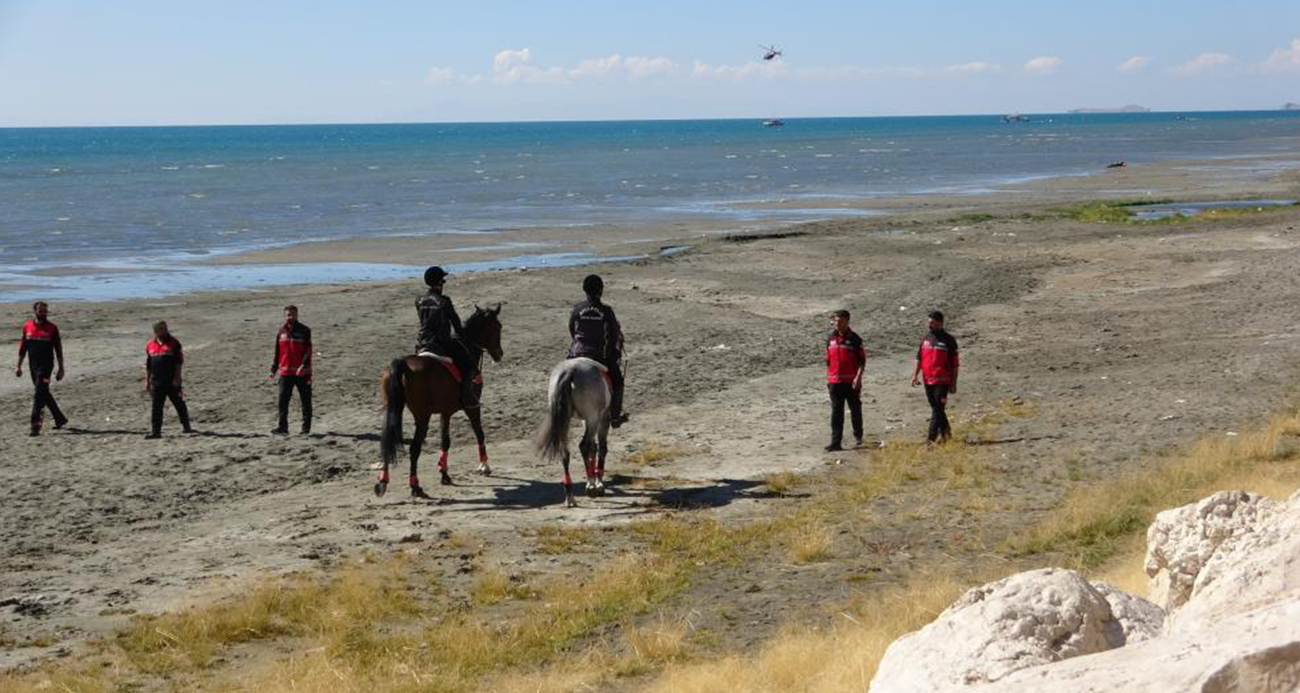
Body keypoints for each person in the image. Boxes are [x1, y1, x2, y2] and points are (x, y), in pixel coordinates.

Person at [568, 274, 628, 427]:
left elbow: (572, 330)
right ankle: (615, 416)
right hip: (599, 355)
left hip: (575, 354)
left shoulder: (577, 309)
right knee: (618, 381)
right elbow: (614, 334)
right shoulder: (606, 311)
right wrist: (613, 353)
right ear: (601, 290)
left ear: (584, 290)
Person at [416, 266, 478, 409]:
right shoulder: (444, 301)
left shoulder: (419, 300)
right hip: (440, 342)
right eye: (443, 280)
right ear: (439, 282)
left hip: (422, 342)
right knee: (468, 365)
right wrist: (464, 337)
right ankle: (467, 398)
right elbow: (456, 324)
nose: (443, 283)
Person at [15, 301, 68, 436]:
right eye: (41, 310)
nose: (43, 313)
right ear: (35, 311)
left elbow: (58, 350)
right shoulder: (27, 326)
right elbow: (23, 348)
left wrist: (61, 368)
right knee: (43, 392)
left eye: (45, 311)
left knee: (39, 394)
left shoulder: (52, 328)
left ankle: (35, 425)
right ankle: (60, 419)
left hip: (46, 366)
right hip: (32, 365)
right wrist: (18, 366)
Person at [911, 311, 960, 444]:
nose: (929, 324)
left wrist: (954, 383)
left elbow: (955, 365)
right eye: (929, 322)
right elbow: (919, 358)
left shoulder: (949, 340)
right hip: (928, 380)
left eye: (932, 322)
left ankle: (930, 439)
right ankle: (946, 432)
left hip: (943, 381)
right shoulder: (925, 339)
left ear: (940, 323)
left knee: (938, 408)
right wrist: (915, 375)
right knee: (936, 408)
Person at [824, 309, 865, 451]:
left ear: (847, 321)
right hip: (834, 383)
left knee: (855, 410)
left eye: (840, 321)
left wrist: (858, 378)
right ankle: (836, 442)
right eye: (835, 321)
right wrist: (829, 380)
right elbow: (828, 361)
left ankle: (858, 438)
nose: (837, 324)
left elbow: (862, 362)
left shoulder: (854, 339)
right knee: (836, 413)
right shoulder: (830, 338)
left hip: (851, 383)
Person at [144, 320, 192, 439]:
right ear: (156, 331)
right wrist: (147, 381)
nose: (164, 331)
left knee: (179, 404)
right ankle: (156, 432)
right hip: (157, 381)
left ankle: (186, 426)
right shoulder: (150, 345)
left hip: (171, 381)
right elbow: (149, 365)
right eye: (161, 329)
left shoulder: (174, 343)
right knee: (156, 407)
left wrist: (177, 378)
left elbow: (179, 362)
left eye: (165, 328)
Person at [270, 305, 313, 435]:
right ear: (285, 315)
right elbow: (278, 352)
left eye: (293, 314)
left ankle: (306, 429)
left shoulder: (304, 330)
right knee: (282, 401)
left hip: (302, 373)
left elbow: (308, 350)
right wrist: (273, 369)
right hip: (285, 372)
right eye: (288, 315)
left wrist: (304, 365)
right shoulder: (281, 331)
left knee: (305, 401)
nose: (291, 317)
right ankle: (283, 427)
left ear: (297, 315)